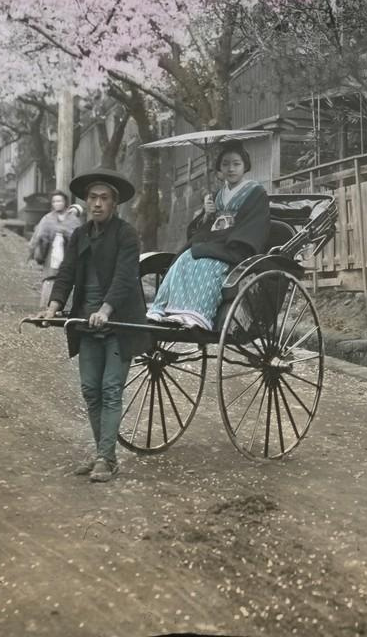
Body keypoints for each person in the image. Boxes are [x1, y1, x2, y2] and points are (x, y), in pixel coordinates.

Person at [36, 170, 149, 484]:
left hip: (120, 319)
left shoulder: (126, 235)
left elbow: (126, 277)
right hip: (86, 321)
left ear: (114, 204)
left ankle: (105, 457)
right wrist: (53, 308)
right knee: (90, 389)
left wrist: (106, 309)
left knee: (111, 389)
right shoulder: (80, 235)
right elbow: (67, 274)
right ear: (86, 202)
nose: (97, 204)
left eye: (104, 198)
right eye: (93, 198)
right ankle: (105, 453)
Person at [146, 140, 270, 329]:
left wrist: (229, 239)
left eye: (236, 164)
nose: (231, 169)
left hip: (235, 245)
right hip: (215, 242)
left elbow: (255, 224)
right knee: (184, 259)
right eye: (225, 164)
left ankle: (198, 315)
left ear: (245, 166)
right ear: (220, 168)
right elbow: (204, 228)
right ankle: (162, 308)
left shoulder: (256, 192)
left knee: (207, 263)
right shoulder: (217, 194)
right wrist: (208, 213)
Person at [29, 191, 82, 308]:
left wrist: (65, 234)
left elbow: (79, 237)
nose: (57, 204)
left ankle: (66, 308)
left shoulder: (73, 219)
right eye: (54, 201)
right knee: (50, 279)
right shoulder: (47, 218)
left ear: (65, 202)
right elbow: (39, 237)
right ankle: (47, 308)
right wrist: (37, 253)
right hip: (51, 255)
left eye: (59, 201)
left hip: (68, 254)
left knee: (66, 279)